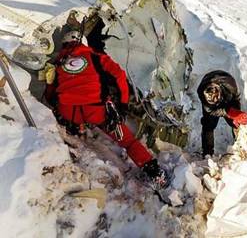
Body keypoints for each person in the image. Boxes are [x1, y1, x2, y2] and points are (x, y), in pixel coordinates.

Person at [44, 26, 168, 189]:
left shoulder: (57, 64)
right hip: (96, 111)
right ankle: (155, 173)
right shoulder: (95, 57)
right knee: (128, 141)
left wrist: (61, 109)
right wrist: (122, 104)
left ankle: (77, 129)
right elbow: (119, 75)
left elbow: (50, 93)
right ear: (84, 43)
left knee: (73, 117)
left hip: (69, 111)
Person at [197, 70, 247, 157]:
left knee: (235, 122)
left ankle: (241, 147)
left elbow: (236, 100)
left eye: (216, 98)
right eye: (211, 100)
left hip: (228, 98)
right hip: (211, 106)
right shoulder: (201, 91)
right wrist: (227, 112)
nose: (215, 101)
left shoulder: (230, 87)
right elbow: (211, 111)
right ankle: (207, 153)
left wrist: (236, 114)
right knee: (208, 124)